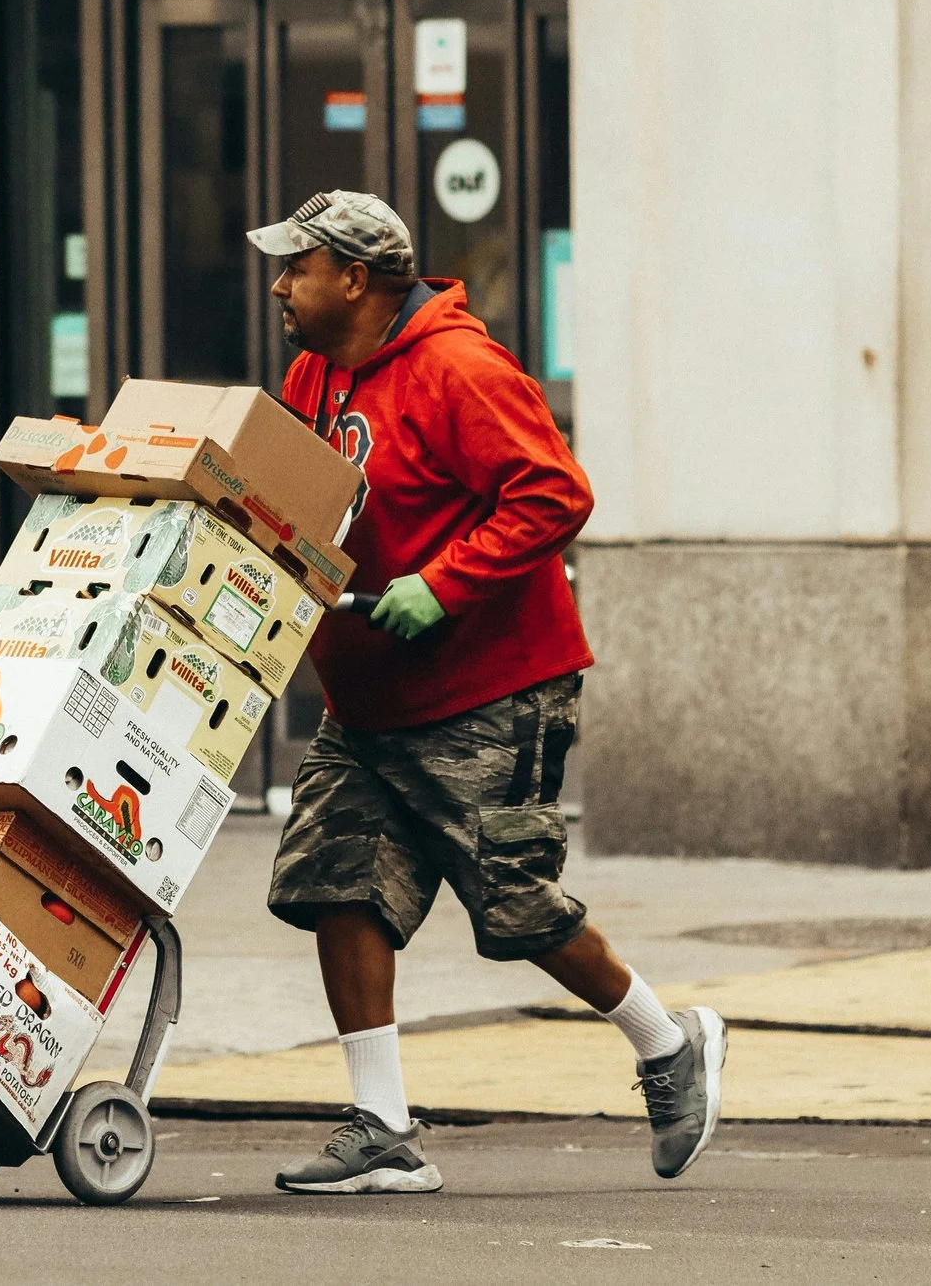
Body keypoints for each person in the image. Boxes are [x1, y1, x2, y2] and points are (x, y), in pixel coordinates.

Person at [248, 190, 724, 1196]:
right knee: (338, 876)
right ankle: (379, 1125)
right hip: (371, 696)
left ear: (355, 278)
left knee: (511, 903)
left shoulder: (459, 368)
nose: (281, 285)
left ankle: (665, 1038)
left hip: (491, 688)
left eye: (297, 267)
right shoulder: (312, 372)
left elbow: (555, 488)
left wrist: (442, 582)